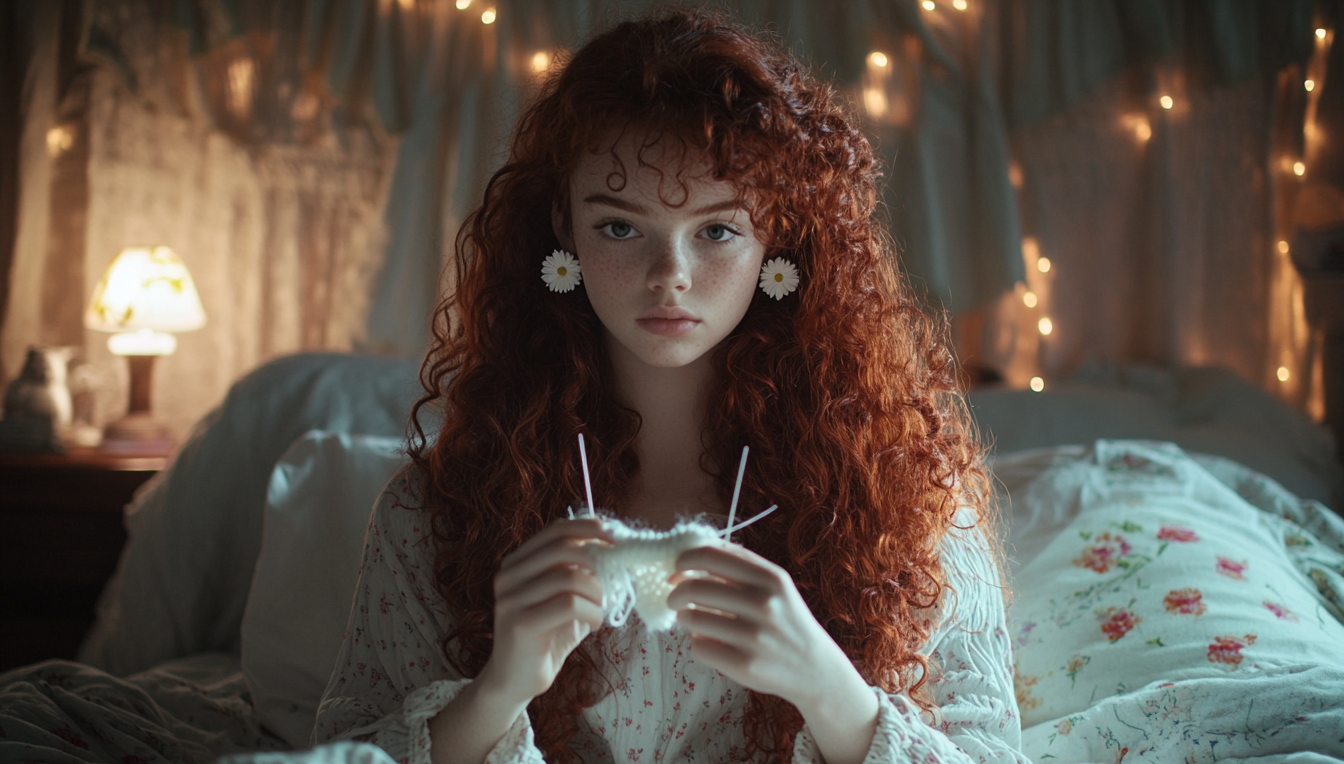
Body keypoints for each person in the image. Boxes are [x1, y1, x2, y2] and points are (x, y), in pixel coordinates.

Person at [314, 8, 1026, 764]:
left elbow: (989, 751)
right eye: (622, 228)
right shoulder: (434, 514)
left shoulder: (908, 508)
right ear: (565, 229)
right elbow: (345, 749)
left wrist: (828, 690)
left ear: (776, 240)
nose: (670, 277)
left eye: (717, 231)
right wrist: (498, 690)